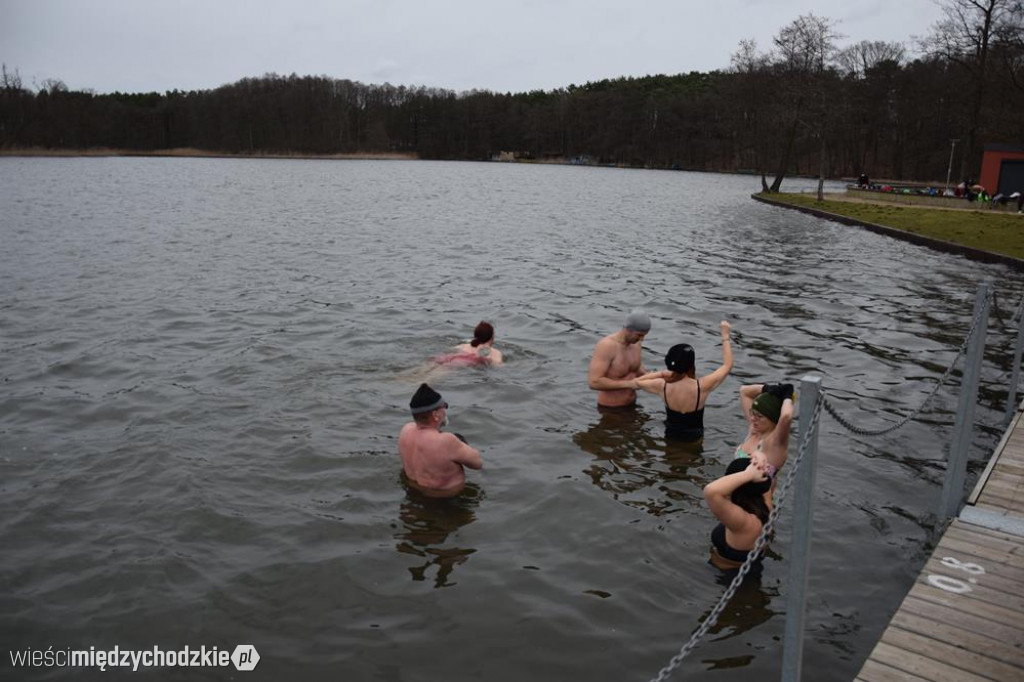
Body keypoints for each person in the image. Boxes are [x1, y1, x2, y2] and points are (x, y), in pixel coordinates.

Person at [632, 320, 733, 441]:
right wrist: (725, 335)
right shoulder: (701, 387)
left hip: (670, 435)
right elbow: (727, 365)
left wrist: (661, 373)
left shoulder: (662, 386)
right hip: (695, 437)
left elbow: (637, 382)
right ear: (691, 365)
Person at [398, 383, 482, 498]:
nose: (445, 411)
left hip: (414, 492)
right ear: (435, 414)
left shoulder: (405, 430)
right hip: (445, 500)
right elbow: (477, 463)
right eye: (444, 407)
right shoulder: (446, 441)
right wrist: (462, 444)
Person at [704, 458, 772, 570]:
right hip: (747, 566)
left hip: (731, 575)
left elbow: (711, 491)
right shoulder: (764, 504)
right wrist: (760, 459)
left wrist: (748, 474)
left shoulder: (744, 521)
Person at [734, 382, 795, 505]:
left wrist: (787, 396)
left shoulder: (775, 443)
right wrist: (767, 388)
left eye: (759, 416)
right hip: (736, 500)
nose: (752, 419)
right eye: (752, 413)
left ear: (772, 419)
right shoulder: (754, 430)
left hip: (757, 509)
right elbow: (744, 391)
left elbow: (786, 416)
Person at [587, 310, 652, 409]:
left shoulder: (636, 344)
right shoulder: (607, 346)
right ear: (628, 329)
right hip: (610, 409)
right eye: (639, 335)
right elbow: (594, 382)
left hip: (632, 405)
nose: (642, 339)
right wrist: (629, 384)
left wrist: (659, 378)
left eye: (644, 335)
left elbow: (637, 369)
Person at [435, 321, 504, 367]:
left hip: (450, 358)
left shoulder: (464, 346)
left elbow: (449, 350)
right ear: (492, 336)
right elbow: (498, 367)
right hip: (464, 362)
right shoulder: (496, 353)